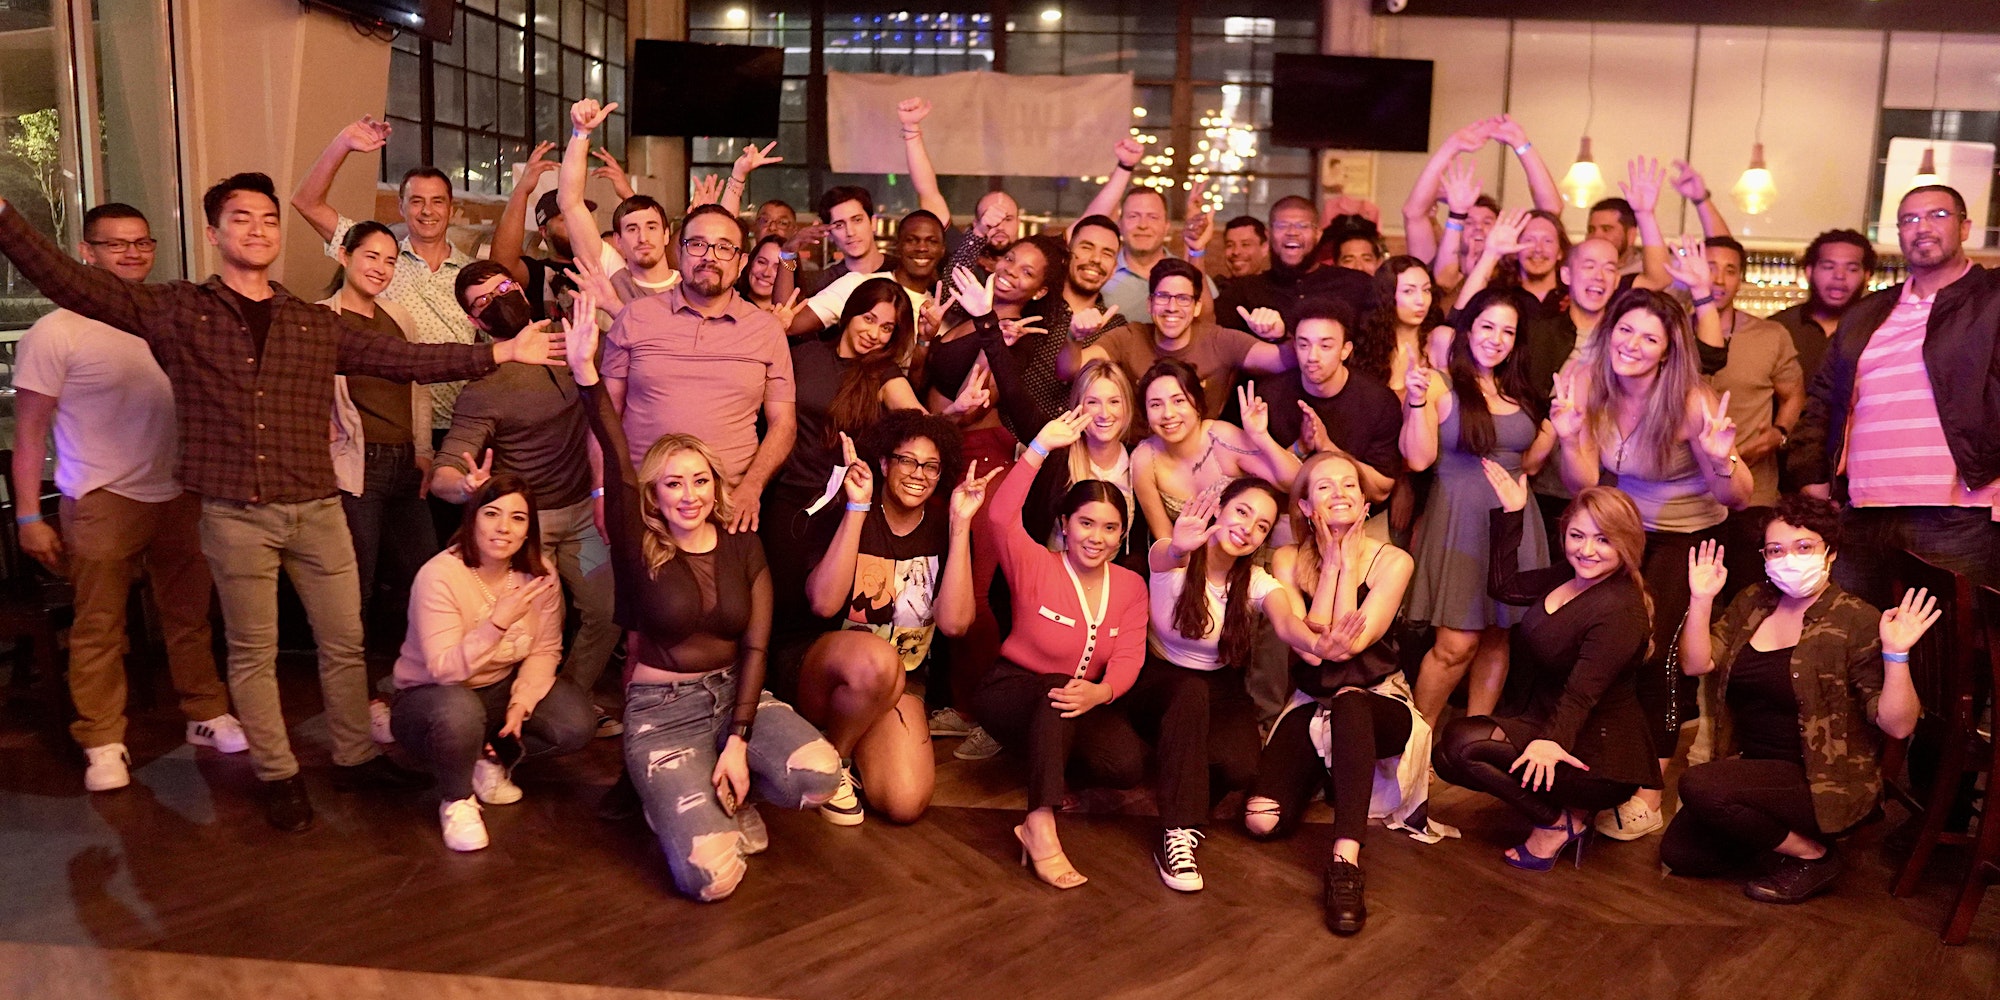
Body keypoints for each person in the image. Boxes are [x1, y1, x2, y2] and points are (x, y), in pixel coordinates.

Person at [0, 175, 564, 831]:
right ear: (214, 233)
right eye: (241, 218)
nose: (258, 229)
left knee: (345, 642)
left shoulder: (310, 320)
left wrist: (501, 350)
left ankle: (355, 757)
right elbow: (71, 283)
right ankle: (278, 773)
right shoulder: (178, 310)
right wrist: (6, 217)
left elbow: (403, 358)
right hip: (235, 513)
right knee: (253, 652)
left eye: (268, 219)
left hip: (318, 506)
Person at [565, 290, 839, 901]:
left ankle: (731, 784)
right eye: (672, 484)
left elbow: (756, 646)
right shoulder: (637, 542)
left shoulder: (741, 539)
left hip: (735, 699)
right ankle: (686, 802)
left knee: (820, 777)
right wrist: (586, 374)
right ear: (654, 494)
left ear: (716, 485)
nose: (688, 495)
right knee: (711, 881)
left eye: (699, 481)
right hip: (662, 717)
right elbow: (616, 451)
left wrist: (738, 738)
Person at [9, 203, 243, 792]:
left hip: (180, 490)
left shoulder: (170, 319)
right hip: (101, 497)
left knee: (190, 616)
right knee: (99, 627)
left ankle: (205, 711)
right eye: (116, 244)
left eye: (142, 242)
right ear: (87, 252)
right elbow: (30, 433)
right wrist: (29, 516)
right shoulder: (55, 332)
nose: (132, 253)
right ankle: (102, 739)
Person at [1552, 286, 1751, 839]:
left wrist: (1722, 459)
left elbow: (1736, 496)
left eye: (1649, 338)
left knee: (1658, 657)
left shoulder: (1690, 401)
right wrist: (1568, 439)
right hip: (1628, 534)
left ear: (1668, 350)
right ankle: (1609, 768)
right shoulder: (1588, 382)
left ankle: (1651, 793)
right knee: (1613, 650)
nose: (1632, 345)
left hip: (1690, 536)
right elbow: (1583, 482)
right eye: (1625, 330)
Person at [1667, 495, 1927, 903]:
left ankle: (1814, 855)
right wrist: (1701, 600)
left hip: (1823, 780)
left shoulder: (1856, 619)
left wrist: (1897, 654)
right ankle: (1773, 835)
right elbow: (1696, 663)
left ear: (1831, 552)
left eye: (1804, 547)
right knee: (1681, 854)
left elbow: (1898, 725)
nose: (1789, 559)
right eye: (1776, 550)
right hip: (1756, 769)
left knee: (1699, 785)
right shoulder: (1754, 601)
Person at [1244, 451, 1435, 935]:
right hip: (1313, 704)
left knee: (1350, 698)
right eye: (1325, 487)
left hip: (1380, 700)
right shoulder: (1287, 559)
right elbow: (1312, 655)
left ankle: (1344, 864)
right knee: (1261, 821)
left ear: (1365, 502)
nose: (1340, 494)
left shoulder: (1394, 561)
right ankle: (1326, 771)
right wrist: (1330, 565)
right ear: (1306, 507)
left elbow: (1350, 646)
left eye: (1349, 484)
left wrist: (1348, 566)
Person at [1433, 470, 1661, 870]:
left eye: (1603, 540)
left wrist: (1550, 743)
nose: (1587, 550)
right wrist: (1512, 513)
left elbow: (1581, 695)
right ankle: (1564, 813)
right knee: (1448, 753)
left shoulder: (1619, 609)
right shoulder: (1571, 576)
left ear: (1627, 543)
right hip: (1555, 722)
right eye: (1577, 535)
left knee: (1462, 747)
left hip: (1600, 754)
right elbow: (1505, 587)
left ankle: (1558, 824)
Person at [1790, 184, 2000, 604]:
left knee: (1947, 637)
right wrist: (1814, 482)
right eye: (1910, 219)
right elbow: (1823, 400)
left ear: (1965, 228)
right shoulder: (1867, 313)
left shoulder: (1991, 298)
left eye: (1938, 215)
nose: (1923, 227)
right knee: (1852, 634)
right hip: (1862, 509)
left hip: (1958, 512)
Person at [434, 261, 620, 735]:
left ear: (519, 286)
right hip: (526, 527)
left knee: (609, 610)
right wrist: (466, 486)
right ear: (475, 320)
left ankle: (566, 701)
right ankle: (522, 715)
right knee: (535, 627)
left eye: (503, 287)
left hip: (585, 510)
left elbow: (634, 352)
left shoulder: (572, 336)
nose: (499, 300)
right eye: (484, 301)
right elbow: (444, 472)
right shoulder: (484, 388)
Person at [972, 407, 1151, 891]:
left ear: (1122, 534)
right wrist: (1038, 449)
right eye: (1086, 523)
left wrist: (1103, 692)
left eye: (1110, 528)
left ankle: (1048, 766)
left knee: (1126, 765)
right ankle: (1039, 822)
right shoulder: (1035, 563)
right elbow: (1000, 516)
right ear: (1065, 525)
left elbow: (1130, 655)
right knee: (1056, 690)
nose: (1097, 537)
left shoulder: (1131, 586)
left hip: (1080, 698)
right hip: (1012, 688)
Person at [800, 413, 993, 825]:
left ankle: (853, 736)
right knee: (879, 659)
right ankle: (835, 761)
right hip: (826, 671)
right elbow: (823, 604)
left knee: (904, 802)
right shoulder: (849, 509)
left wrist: (961, 526)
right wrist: (857, 507)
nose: (918, 473)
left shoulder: (944, 528)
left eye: (930, 466)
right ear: (885, 464)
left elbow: (955, 625)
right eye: (907, 460)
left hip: (900, 681)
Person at [390, 473, 594, 852]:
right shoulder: (440, 575)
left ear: (529, 529)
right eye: (491, 513)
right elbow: (443, 669)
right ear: (472, 519)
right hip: (431, 696)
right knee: (459, 711)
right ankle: (457, 799)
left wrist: (521, 704)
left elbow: (546, 649)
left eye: (518, 518)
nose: (504, 527)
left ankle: (486, 758)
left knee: (575, 723)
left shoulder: (540, 573)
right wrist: (497, 623)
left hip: (497, 688)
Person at [1129, 478, 1292, 891]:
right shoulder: (1175, 556)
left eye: (1261, 526)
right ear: (1219, 509)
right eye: (1242, 512)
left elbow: (1287, 620)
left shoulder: (1255, 580)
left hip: (1219, 685)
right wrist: (1179, 547)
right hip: (1158, 678)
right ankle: (1176, 831)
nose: (1248, 528)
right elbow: (1165, 555)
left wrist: (1315, 641)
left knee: (1242, 767)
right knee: (1190, 692)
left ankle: (1181, 787)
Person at [1401, 287, 1554, 724]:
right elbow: (1418, 459)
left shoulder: (1520, 390)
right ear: (1467, 331)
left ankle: (1473, 740)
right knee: (1455, 645)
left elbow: (1528, 464)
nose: (1496, 339)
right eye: (1487, 327)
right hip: (1459, 523)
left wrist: (1557, 429)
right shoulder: (1438, 382)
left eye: (1508, 331)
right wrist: (1415, 402)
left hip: (1515, 522)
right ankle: (1416, 742)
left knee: (1496, 637)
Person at [601, 202, 795, 535]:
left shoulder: (766, 330)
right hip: (644, 504)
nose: (709, 256)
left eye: (724, 247)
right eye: (697, 244)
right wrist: (601, 491)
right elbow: (604, 414)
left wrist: (752, 487)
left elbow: (784, 424)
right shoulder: (635, 316)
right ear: (679, 252)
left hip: (731, 507)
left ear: (741, 262)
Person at [291, 118, 477, 430]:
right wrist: (342, 144)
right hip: (393, 423)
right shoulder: (378, 259)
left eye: (437, 201)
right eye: (416, 201)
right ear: (401, 207)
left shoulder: (472, 274)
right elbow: (306, 202)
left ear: (450, 208)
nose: (427, 211)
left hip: (461, 427)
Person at [323, 221, 439, 636]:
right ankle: (351, 675)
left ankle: (419, 666)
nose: (381, 268)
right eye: (371, 257)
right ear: (344, 256)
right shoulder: (321, 317)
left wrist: (423, 450)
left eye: (389, 261)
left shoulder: (399, 317)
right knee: (356, 583)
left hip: (404, 462)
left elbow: (417, 388)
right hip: (356, 465)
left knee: (428, 575)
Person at [1062, 258, 1291, 420]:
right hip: (1136, 451)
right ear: (1150, 304)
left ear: (1197, 306)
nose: (1172, 307)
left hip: (1201, 454)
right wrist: (1074, 337)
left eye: (1183, 298)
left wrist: (1280, 335)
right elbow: (1068, 371)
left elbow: (1284, 361)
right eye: (1163, 296)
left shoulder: (1219, 340)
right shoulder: (1129, 337)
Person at [1703, 236, 1805, 595]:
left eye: (1730, 270)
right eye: (1710, 267)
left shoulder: (1769, 335)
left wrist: (1779, 433)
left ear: (1740, 279)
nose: (1719, 279)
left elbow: (1794, 394)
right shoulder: (1669, 331)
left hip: (1752, 495)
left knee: (1747, 600)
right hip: (1688, 497)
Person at [1132, 360, 1300, 542]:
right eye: (1156, 405)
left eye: (1179, 401)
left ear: (1197, 403)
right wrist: (1182, 556)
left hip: (1247, 544)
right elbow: (1164, 539)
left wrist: (1261, 436)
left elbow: (1295, 483)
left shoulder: (1222, 437)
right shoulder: (1144, 459)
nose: (1168, 414)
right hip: (1188, 555)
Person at [1254, 297, 1402, 504]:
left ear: (1345, 350)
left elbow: (1382, 489)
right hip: (1288, 508)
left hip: (1357, 511)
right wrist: (1300, 447)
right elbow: (1259, 478)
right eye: (1303, 345)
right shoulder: (1270, 394)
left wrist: (1326, 446)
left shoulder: (1379, 402)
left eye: (1325, 346)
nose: (1312, 356)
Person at [1402, 115, 1562, 294]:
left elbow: (1551, 212)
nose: (1478, 228)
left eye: (1487, 222)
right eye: (1469, 222)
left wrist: (1521, 144)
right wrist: (1451, 147)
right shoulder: (1434, 262)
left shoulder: (1513, 270)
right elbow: (1413, 214)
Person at [561, 100, 681, 302]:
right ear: (618, 240)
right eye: (632, 229)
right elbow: (570, 203)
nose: (643, 238)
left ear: (666, 235)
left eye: (652, 227)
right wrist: (580, 133)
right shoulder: (613, 273)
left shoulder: (690, 285)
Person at [1214, 196, 1376, 340]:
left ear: (1318, 234)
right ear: (1269, 235)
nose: (1292, 232)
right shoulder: (1244, 291)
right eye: (1282, 226)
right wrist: (1199, 250)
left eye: (1303, 226)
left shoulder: (1356, 284)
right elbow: (1207, 329)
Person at [1023, 360, 1141, 553]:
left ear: (1127, 406)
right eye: (1092, 402)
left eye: (1114, 402)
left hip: (1108, 571)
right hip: (1051, 566)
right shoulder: (1059, 455)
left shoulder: (1137, 460)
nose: (1104, 413)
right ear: (1078, 407)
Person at [1768, 229, 1875, 385]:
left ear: (1866, 276)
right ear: (1809, 272)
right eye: (1828, 267)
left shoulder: (1880, 332)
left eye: (1852, 269)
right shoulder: (1777, 328)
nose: (1839, 276)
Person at [1101, 187, 1216, 319]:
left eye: (1153, 217)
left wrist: (1197, 251)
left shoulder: (1190, 274)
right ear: (1119, 224)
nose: (1143, 225)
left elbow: (1206, 322)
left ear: (1167, 226)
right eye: (1133, 216)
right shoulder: (1100, 273)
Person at [1221, 216, 1269, 283]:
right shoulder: (1214, 287)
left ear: (1264, 248)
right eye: (1230, 245)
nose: (1236, 252)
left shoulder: (1277, 288)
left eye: (1245, 244)